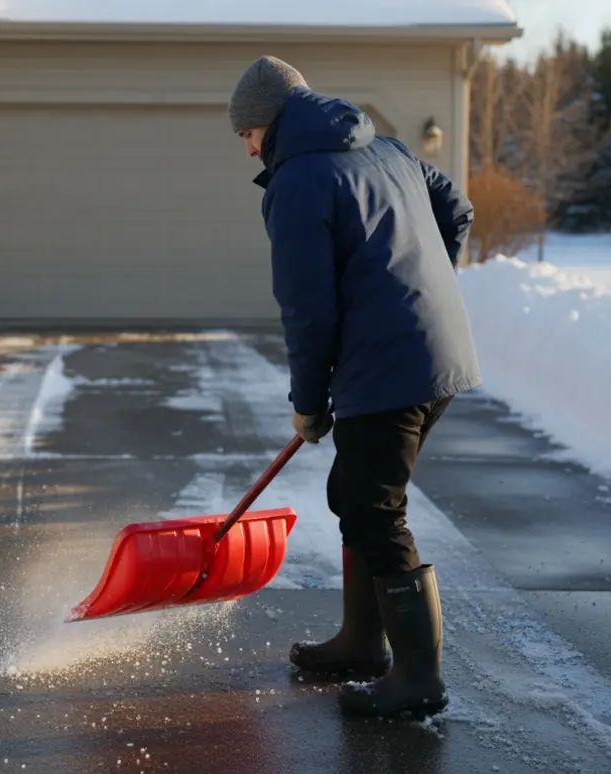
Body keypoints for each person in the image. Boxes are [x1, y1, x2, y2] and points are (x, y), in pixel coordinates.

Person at [227, 56, 481, 719]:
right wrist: (426, 284)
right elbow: (456, 205)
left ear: (269, 124)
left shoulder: (299, 181)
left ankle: (417, 680)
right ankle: (361, 643)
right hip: (434, 355)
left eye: (247, 133)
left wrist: (308, 402)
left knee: (373, 508)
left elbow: (308, 309)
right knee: (356, 492)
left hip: (389, 365)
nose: (248, 148)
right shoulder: (389, 149)